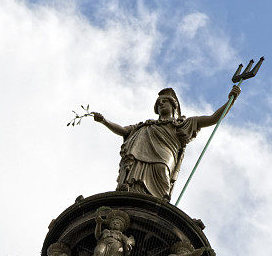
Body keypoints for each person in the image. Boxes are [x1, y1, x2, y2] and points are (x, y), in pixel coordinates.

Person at [91, 85, 240, 201]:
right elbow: (124, 130)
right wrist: (104, 121)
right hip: (138, 158)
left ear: (173, 106)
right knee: (132, 182)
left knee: (161, 172)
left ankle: (160, 204)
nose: (161, 104)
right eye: (158, 103)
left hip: (163, 157)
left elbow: (213, 118)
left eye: (164, 102)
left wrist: (230, 101)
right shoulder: (145, 125)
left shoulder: (183, 124)